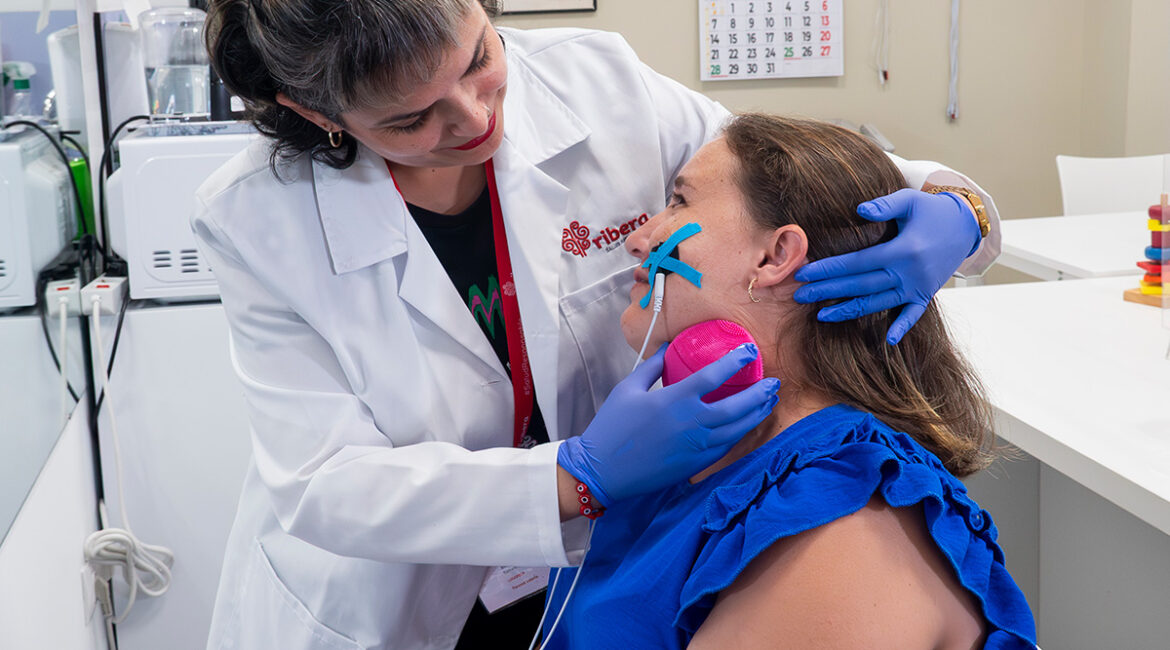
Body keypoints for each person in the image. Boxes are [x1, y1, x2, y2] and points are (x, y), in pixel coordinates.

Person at [194, 1, 1003, 647]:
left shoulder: (595, 83)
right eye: (411, 120)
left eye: (480, 59)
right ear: (317, 112)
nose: (475, 116)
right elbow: (324, 484)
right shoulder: (255, 219)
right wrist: (576, 476)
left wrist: (955, 206)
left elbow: (786, 184)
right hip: (397, 598)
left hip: (582, 571)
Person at [541, 114, 1036, 649]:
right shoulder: (687, 451)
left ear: (776, 255)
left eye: (680, 202)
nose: (639, 240)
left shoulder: (842, 528)